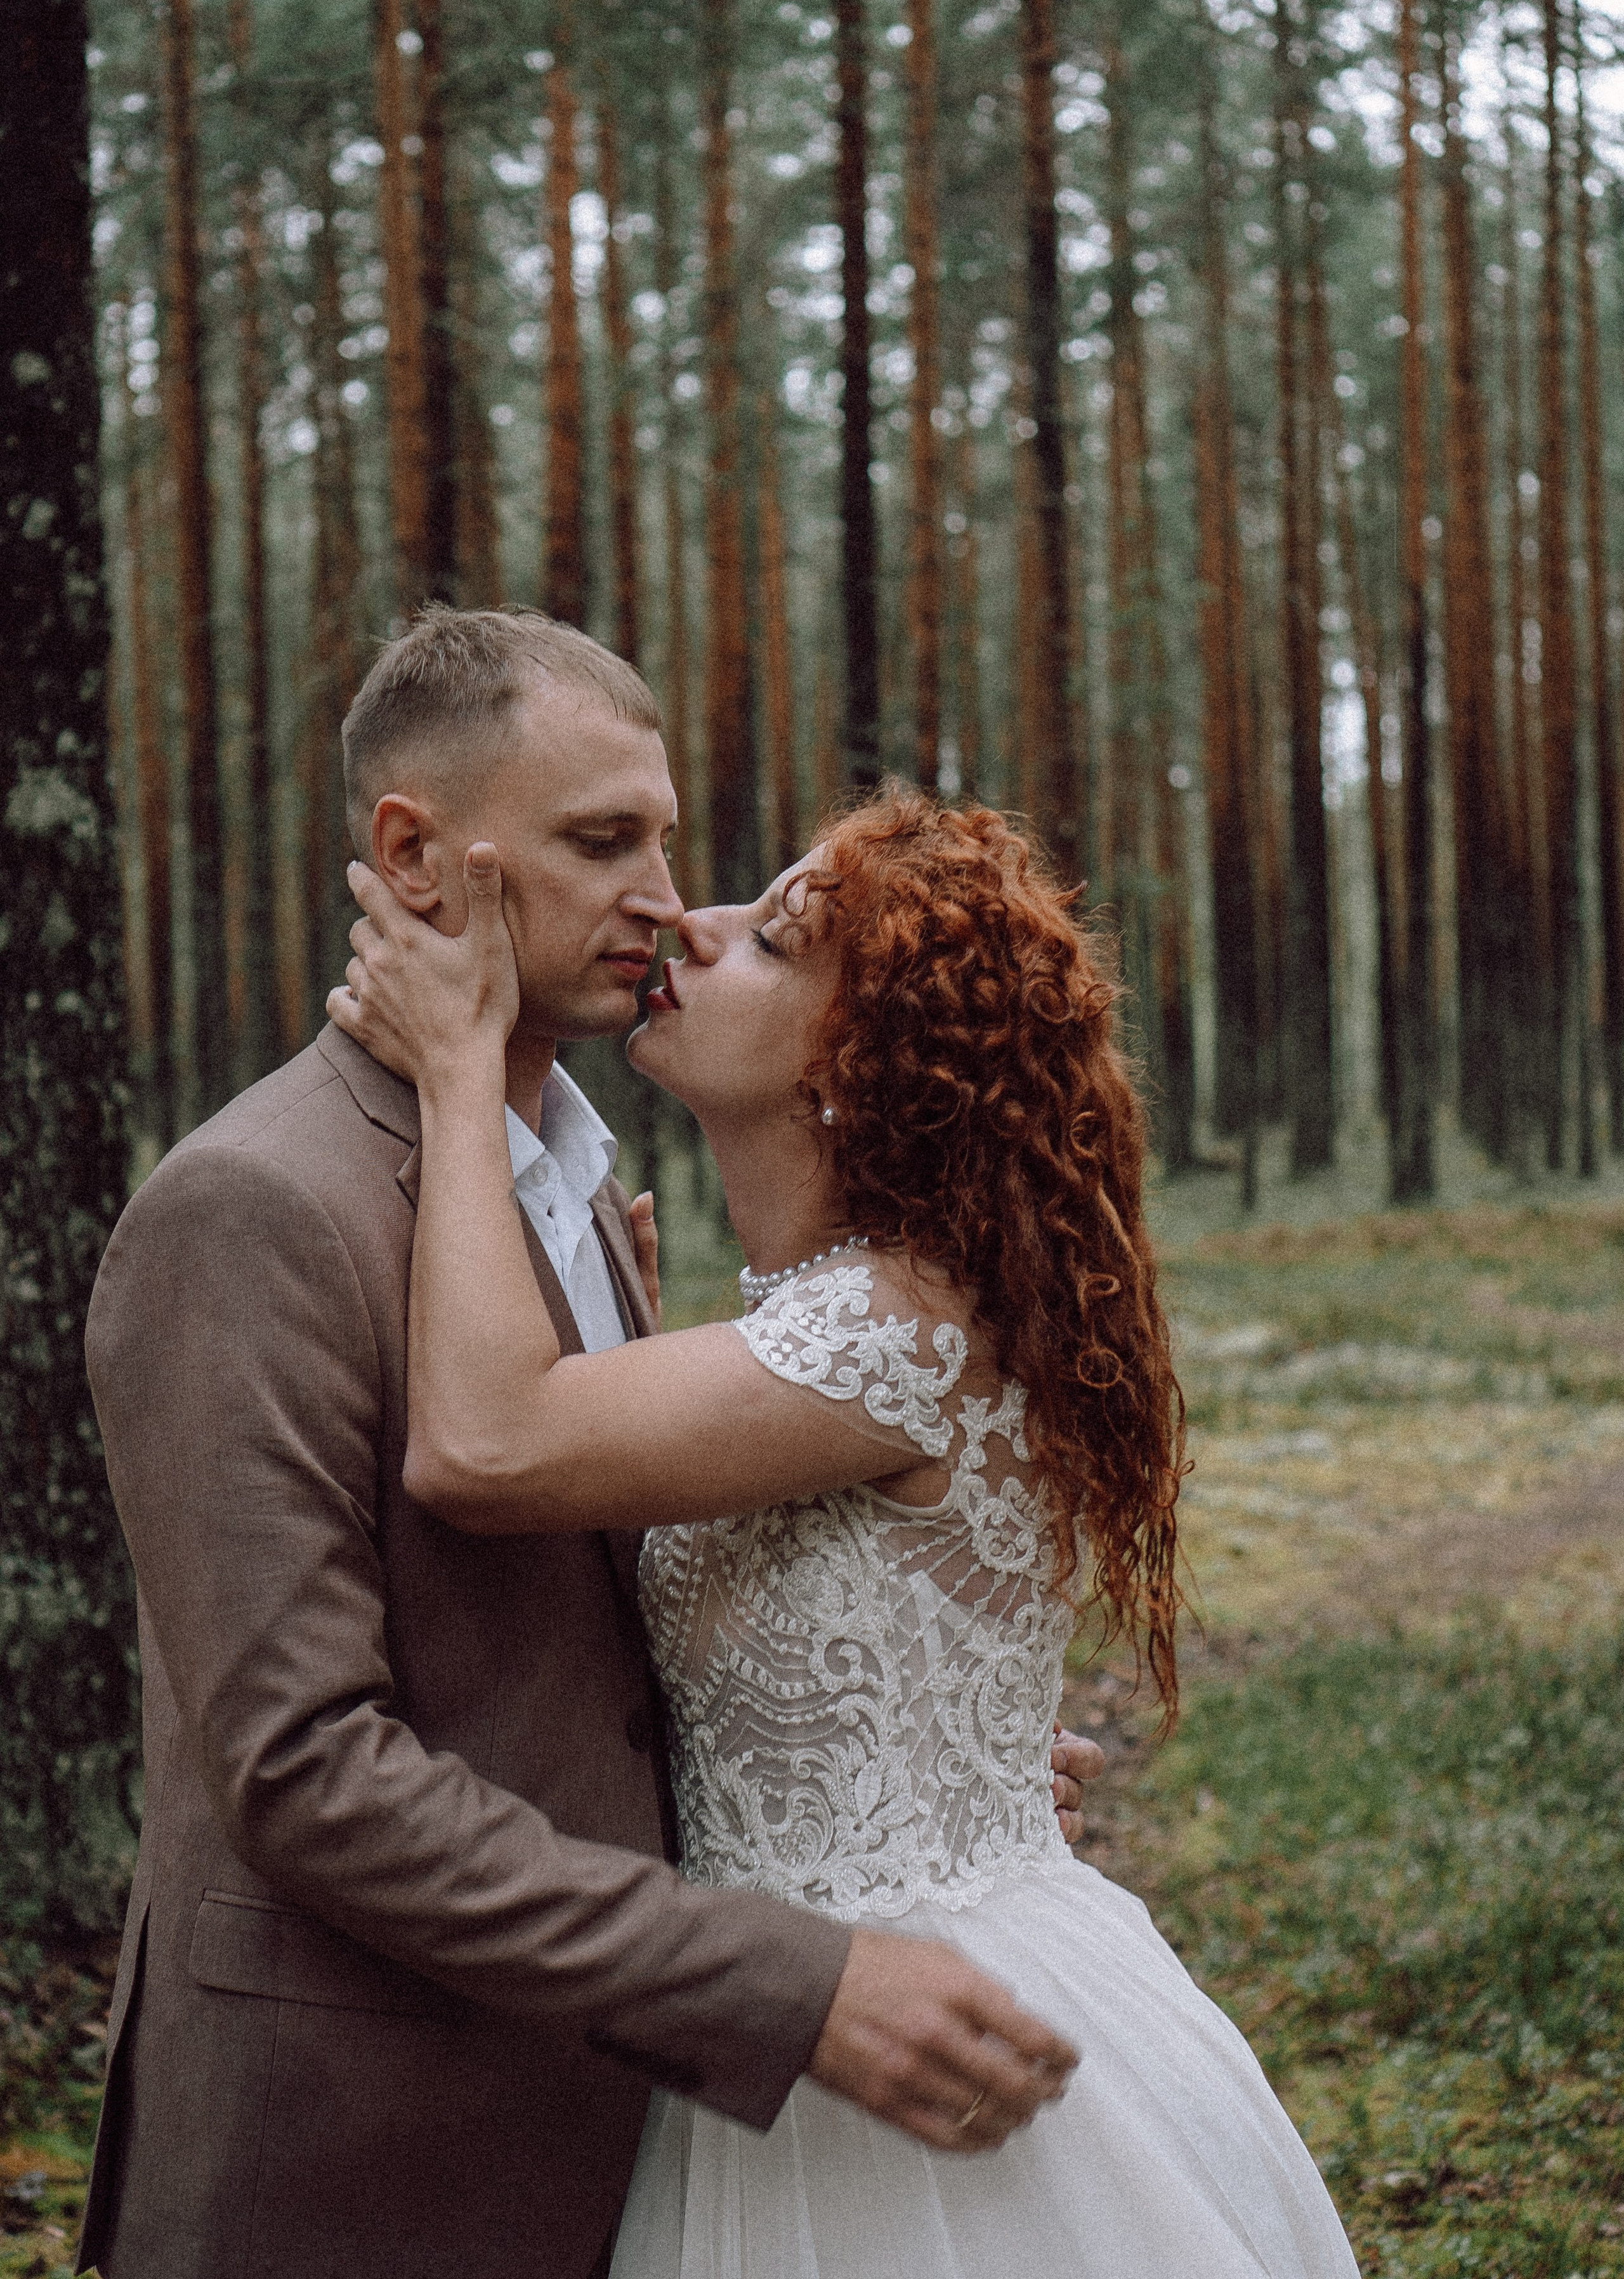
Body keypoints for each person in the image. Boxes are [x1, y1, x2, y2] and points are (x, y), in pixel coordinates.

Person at [79, 610, 1098, 2279]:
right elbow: (306, 1774)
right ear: (412, 854)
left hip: (615, 2136)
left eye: (667, 838)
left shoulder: (576, 1185)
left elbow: (584, 1636)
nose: (661, 897)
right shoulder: (252, 1212)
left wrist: (900, 1754)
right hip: (352, 2160)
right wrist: (790, 1980)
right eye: (599, 839)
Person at [329, 782, 1362, 2279]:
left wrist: (452, 1064)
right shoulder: (846, 1317)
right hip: (792, 2012)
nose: (694, 918)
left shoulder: (893, 1328)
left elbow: (486, 1445)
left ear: (860, 1059)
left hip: (896, 2029)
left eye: (772, 938)